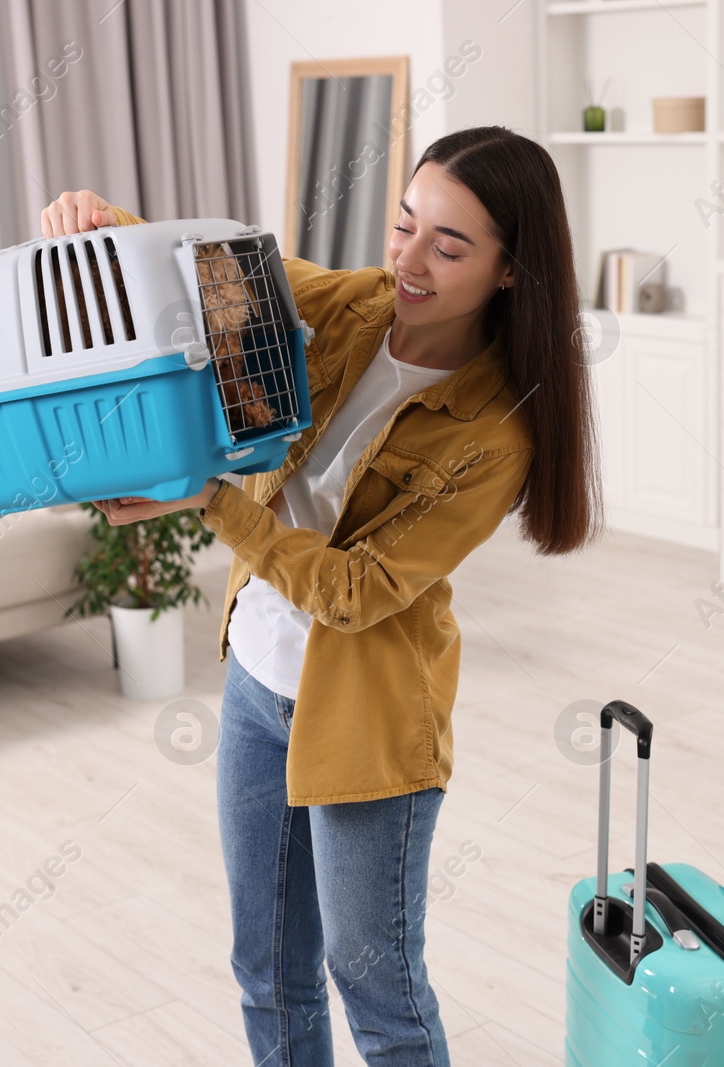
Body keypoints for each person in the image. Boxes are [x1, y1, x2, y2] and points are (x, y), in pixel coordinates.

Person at [42, 125, 601, 1067]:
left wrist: (210, 498)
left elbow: (358, 589)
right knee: (265, 963)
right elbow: (206, 274)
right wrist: (94, 222)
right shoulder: (353, 306)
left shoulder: (494, 432)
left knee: (373, 981)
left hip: (368, 719)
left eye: (449, 246)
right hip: (259, 680)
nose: (410, 261)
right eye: (405, 224)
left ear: (512, 270)